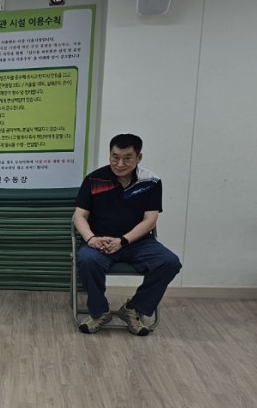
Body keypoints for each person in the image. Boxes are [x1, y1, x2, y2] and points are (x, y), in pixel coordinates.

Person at [72, 133, 182, 335]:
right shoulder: (94, 180)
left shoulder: (151, 181)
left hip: (137, 242)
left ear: (139, 157)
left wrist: (123, 241)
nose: (120, 164)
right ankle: (99, 312)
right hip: (100, 241)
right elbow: (79, 216)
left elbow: (150, 220)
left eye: (127, 158)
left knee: (169, 262)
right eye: (115, 157)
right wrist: (91, 239)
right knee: (87, 260)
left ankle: (134, 309)